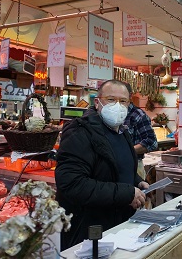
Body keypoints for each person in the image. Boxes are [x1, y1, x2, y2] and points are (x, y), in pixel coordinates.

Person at [55, 79, 149, 251]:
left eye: (123, 101)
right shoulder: (79, 132)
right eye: (111, 99)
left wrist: (136, 181)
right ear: (97, 103)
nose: (118, 106)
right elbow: (72, 184)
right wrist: (126, 193)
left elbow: (116, 167)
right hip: (87, 233)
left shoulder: (122, 132)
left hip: (118, 229)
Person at [123, 82, 158, 180]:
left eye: (122, 97)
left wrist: (124, 151)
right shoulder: (106, 114)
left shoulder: (137, 115)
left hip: (133, 166)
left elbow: (152, 143)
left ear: (130, 96)